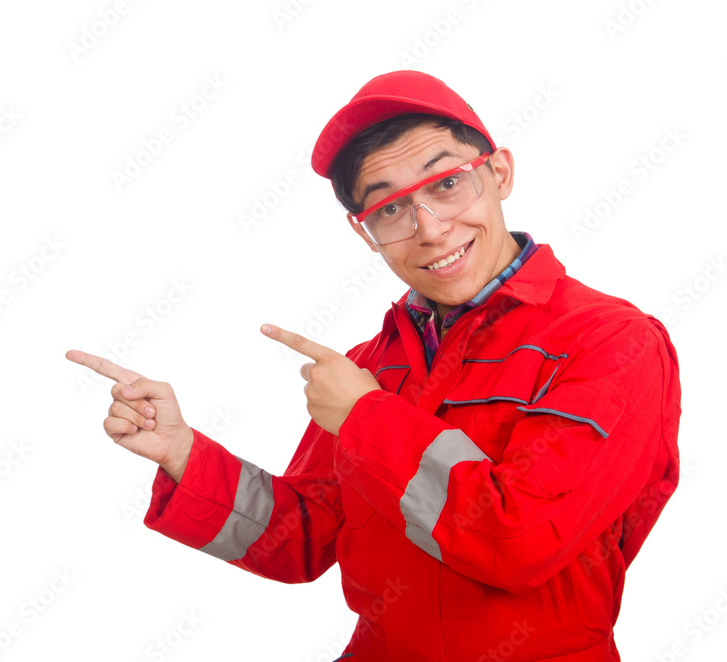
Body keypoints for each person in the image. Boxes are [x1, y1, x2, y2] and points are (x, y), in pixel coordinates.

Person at [66, 70, 681, 661]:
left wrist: (364, 417)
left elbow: (518, 540)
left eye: (447, 184)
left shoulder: (612, 343)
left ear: (498, 173)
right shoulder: (370, 367)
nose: (431, 230)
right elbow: (299, 539)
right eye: (389, 209)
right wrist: (182, 452)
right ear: (366, 233)